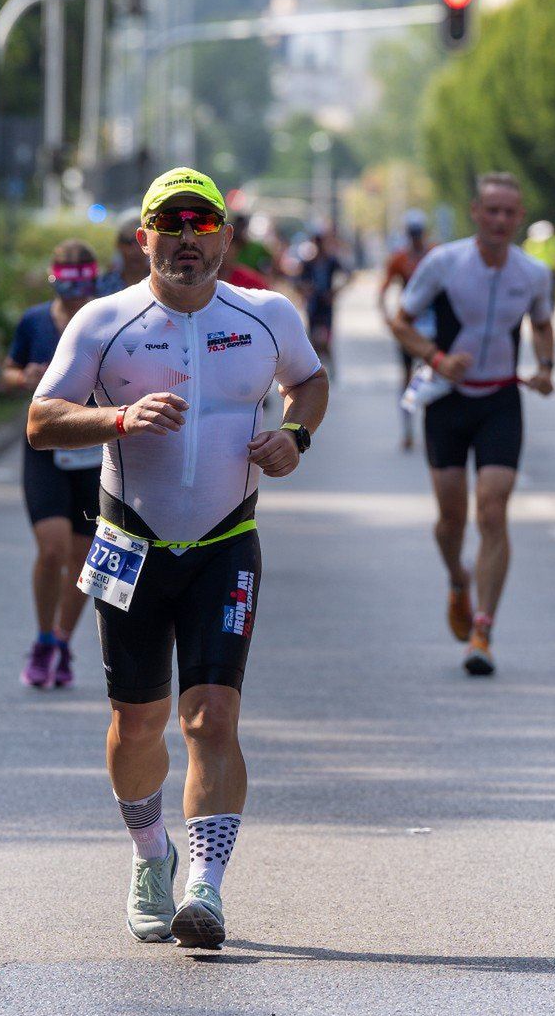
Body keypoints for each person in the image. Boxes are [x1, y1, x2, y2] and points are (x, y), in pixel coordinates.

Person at [28, 166, 329, 951]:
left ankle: (205, 887)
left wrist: (294, 436)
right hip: (128, 543)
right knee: (136, 724)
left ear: (226, 237)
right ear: (143, 238)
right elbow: (41, 420)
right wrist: (119, 419)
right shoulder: (104, 321)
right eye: (170, 224)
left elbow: (309, 381)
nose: (186, 238)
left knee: (212, 716)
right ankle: (148, 855)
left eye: (202, 224)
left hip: (226, 544)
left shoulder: (266, 315)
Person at [387, 173, 555, 677]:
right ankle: (458, 580)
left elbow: (542, 323)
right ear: (475, 213)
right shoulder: (445, 263)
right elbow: (401, 321)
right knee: (451, 520)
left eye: (509, 212)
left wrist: (546, 368)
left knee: (493, 510)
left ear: (519, 218)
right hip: (448, 400)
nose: (500, 220)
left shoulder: (533, 273)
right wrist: (436, 358)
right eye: (492, 210)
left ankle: (482, 629)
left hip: (501, 399)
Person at [5, 240, 105, 690]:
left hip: (93, 451)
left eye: (82, 280)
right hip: (45, 450)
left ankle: (63, 642)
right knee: (52, 549)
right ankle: (43, 639)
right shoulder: (34, 321)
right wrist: (22, 376)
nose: (74, 291)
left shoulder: (105, 320)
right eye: (66, 280)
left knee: (84, 558)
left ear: (94, 279)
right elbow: (8, 368)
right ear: (53, 277)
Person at [380, 209, 435, 451]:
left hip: (433, 325)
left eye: (418, 233)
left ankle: (431, 427)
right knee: (407, 377)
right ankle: (408, 428)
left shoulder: (435, 254)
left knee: (433, 376)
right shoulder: (400, 258)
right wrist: (388, 318)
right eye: (412, 233)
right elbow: (383, 290)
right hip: (409, 326)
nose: (415, 238)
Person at [293, 225, 347, 377]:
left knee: (326, 338)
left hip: (326, 305)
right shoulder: (308, 263)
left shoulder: (331, 261)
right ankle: (316, 369)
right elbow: (297, 282)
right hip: (313, 304)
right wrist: (305, 291)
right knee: (313, 338)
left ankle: (330, 366)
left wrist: (335, 292)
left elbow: (348, 275)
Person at [96, 215, 149, 295]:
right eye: (128, 242)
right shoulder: (104, 285)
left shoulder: (162, 284)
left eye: (140, 242)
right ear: (118, 245)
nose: (135, 251)